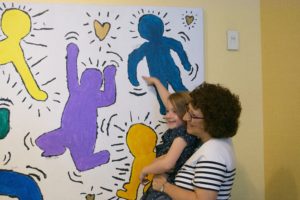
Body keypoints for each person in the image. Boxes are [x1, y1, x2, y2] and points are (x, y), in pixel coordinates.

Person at [151, 82, 242, 200]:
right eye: (187, 111)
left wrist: (164, 186)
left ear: (211, 122)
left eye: (193, 115)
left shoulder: (213, 153)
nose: (185, 118)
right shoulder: (218, 143)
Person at [140, 76, 200, 200]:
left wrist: (145, 170)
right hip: (164, 184)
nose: (168, 116)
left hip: (169, 189)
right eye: (167, 111)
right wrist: (156, 82)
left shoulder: (182, 134)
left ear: (186, 113)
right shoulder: (179, 130)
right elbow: (168, 99)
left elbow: (168, 164)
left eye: (174, 112)